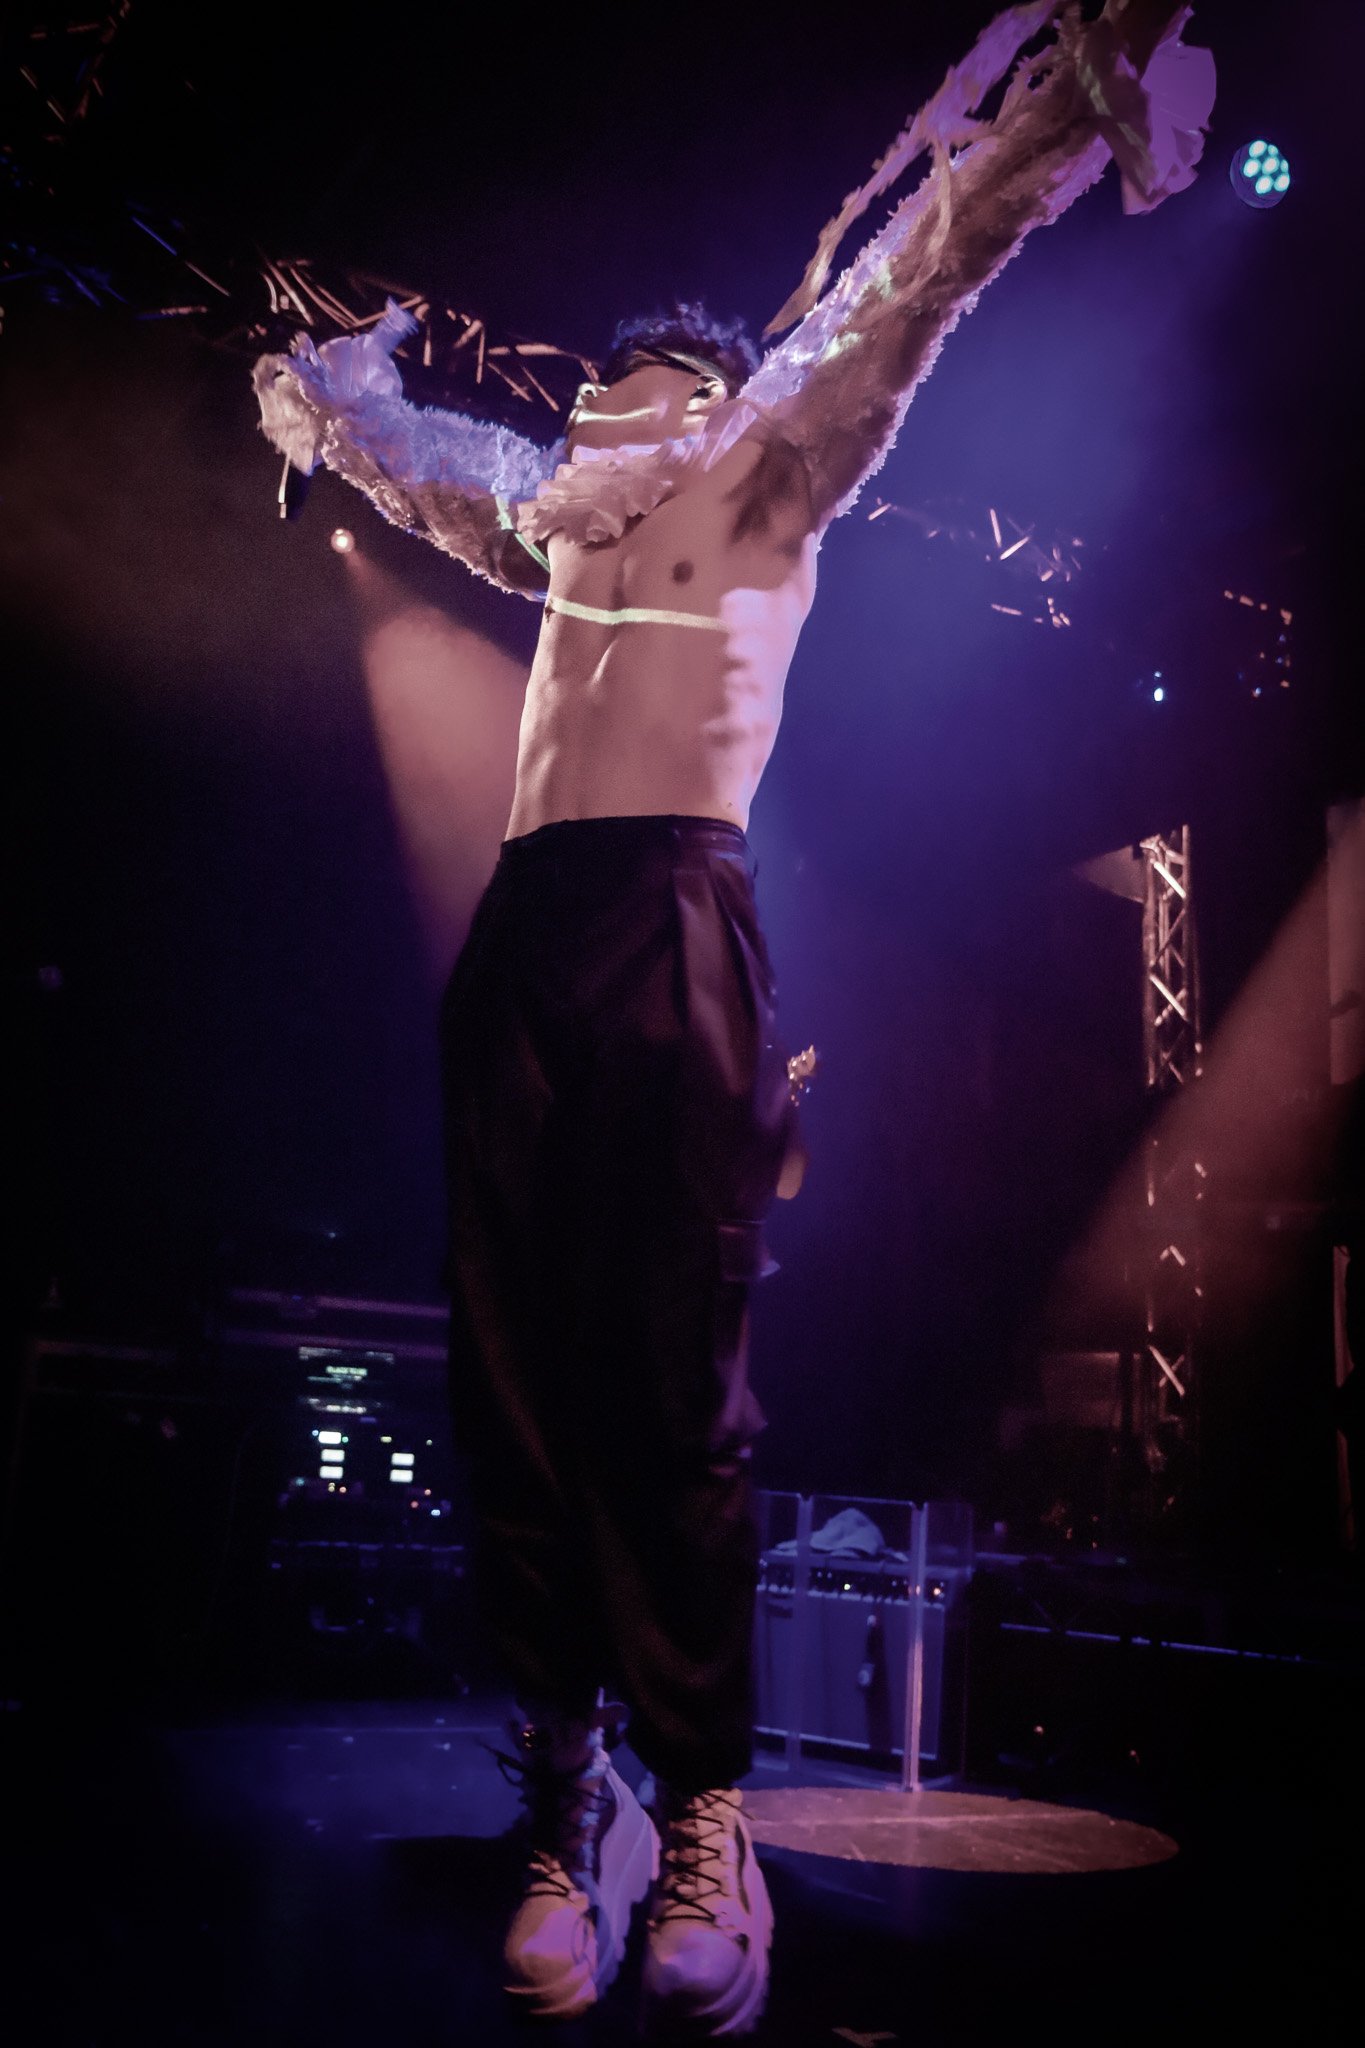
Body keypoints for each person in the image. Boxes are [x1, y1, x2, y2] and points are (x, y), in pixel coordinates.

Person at [254, 2, 1213, 2032]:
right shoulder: (556, 519)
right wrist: (336, 393)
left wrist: (1072, 93)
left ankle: (704, 1813)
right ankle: (566, 1792)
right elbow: (422, 466)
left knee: (672, 1389)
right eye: (597, 397)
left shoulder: (775, 467)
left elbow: (926, 267)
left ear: (700, 389)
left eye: (643, 388)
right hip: (529, 924)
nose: (606, 417)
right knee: (508, 1381)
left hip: (678, 912)